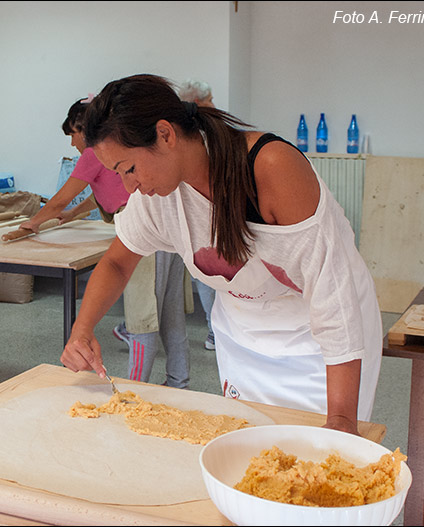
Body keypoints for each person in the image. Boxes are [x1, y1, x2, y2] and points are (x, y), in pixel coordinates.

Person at [61, 74, 382, 435]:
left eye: (130, 169)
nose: (129, 186)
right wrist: (82, 329)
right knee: (250, 449)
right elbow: (118, 261)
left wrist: (341, 419)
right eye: (118, 174)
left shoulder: (270, 167)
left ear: (165, 134)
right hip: (243, 335)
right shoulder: (155, 195)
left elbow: (332, 296)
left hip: (319, 343)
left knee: (318, 457)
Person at [21, 96, 191, 388]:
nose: (73, 143)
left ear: (82, 128)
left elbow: (60, 198)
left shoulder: (93, 154)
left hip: (145, 238)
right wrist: (74, 213)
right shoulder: (114, 156)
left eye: (72, 134)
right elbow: (98, 193)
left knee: (142, 319)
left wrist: (31, 223)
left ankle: (131, 392)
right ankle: (179, 382)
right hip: (166, 237)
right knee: (169, 314)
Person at [178, 79, 217, 351]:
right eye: (207, 101)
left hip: (214, 213)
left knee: (209, 277)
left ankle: (215, 329)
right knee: (203, 276)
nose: (213, 105)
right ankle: (214, 328)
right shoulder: (186, 134)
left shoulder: (214, 131)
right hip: (195, 216)